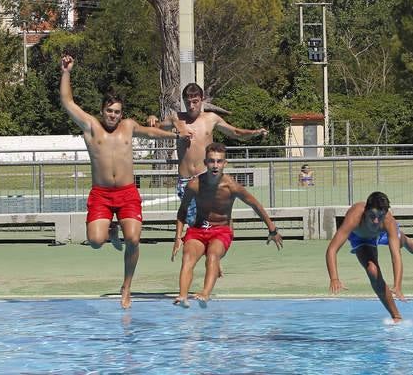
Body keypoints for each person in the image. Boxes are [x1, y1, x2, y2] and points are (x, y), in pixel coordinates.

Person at [60, 54, 181, 309]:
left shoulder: (127, 126)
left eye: (117, 112)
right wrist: (66, 72)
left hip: (126, 193)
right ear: (102, 110)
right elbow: (67, 101)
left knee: (134, 240)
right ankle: (110, 231)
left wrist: (174, 133)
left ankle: (126, 286)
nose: (113, 116)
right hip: (101, 195)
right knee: (94, 241)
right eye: (109, 111)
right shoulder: (91, 126)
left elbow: (151, 132)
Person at [170, 143, 283, 308]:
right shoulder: (194, 185)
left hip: (221, 231)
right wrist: (178, 237)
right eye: (211, 161)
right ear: (205, 162)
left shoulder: (232, 186)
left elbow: (256, 206)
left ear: (225, 163)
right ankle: (182, 296)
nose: (215, 165)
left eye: (219, 161)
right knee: (188, 257)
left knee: (213, 256)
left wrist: (272, 229)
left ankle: (205, 294)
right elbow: (182, 211)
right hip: (198, 230)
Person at [147, 83, 267, 225]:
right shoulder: (177, 119)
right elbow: (154, 128)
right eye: (188, 102)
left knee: (208, 223)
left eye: (195, 102)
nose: (191, 106)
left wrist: (254, 133)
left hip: (207, 180)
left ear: (202, 99)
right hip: (186, 181)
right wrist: (151, 117)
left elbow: (235, 132)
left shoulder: (211, 118)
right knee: (195, 223)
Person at [325, 192, 413, 323]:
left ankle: (405, 240)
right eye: (372, 216)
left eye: (380, 217)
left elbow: (395, 256)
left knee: (405, 245)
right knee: (373, 271)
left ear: (385, 214)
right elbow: (332, 249)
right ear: (365, 212)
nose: (375, 221)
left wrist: (397, 285)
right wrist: (334, 278)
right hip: (361, 238)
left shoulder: (388, 221)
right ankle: (396, 316)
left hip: (382, 233)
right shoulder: (354, 217)